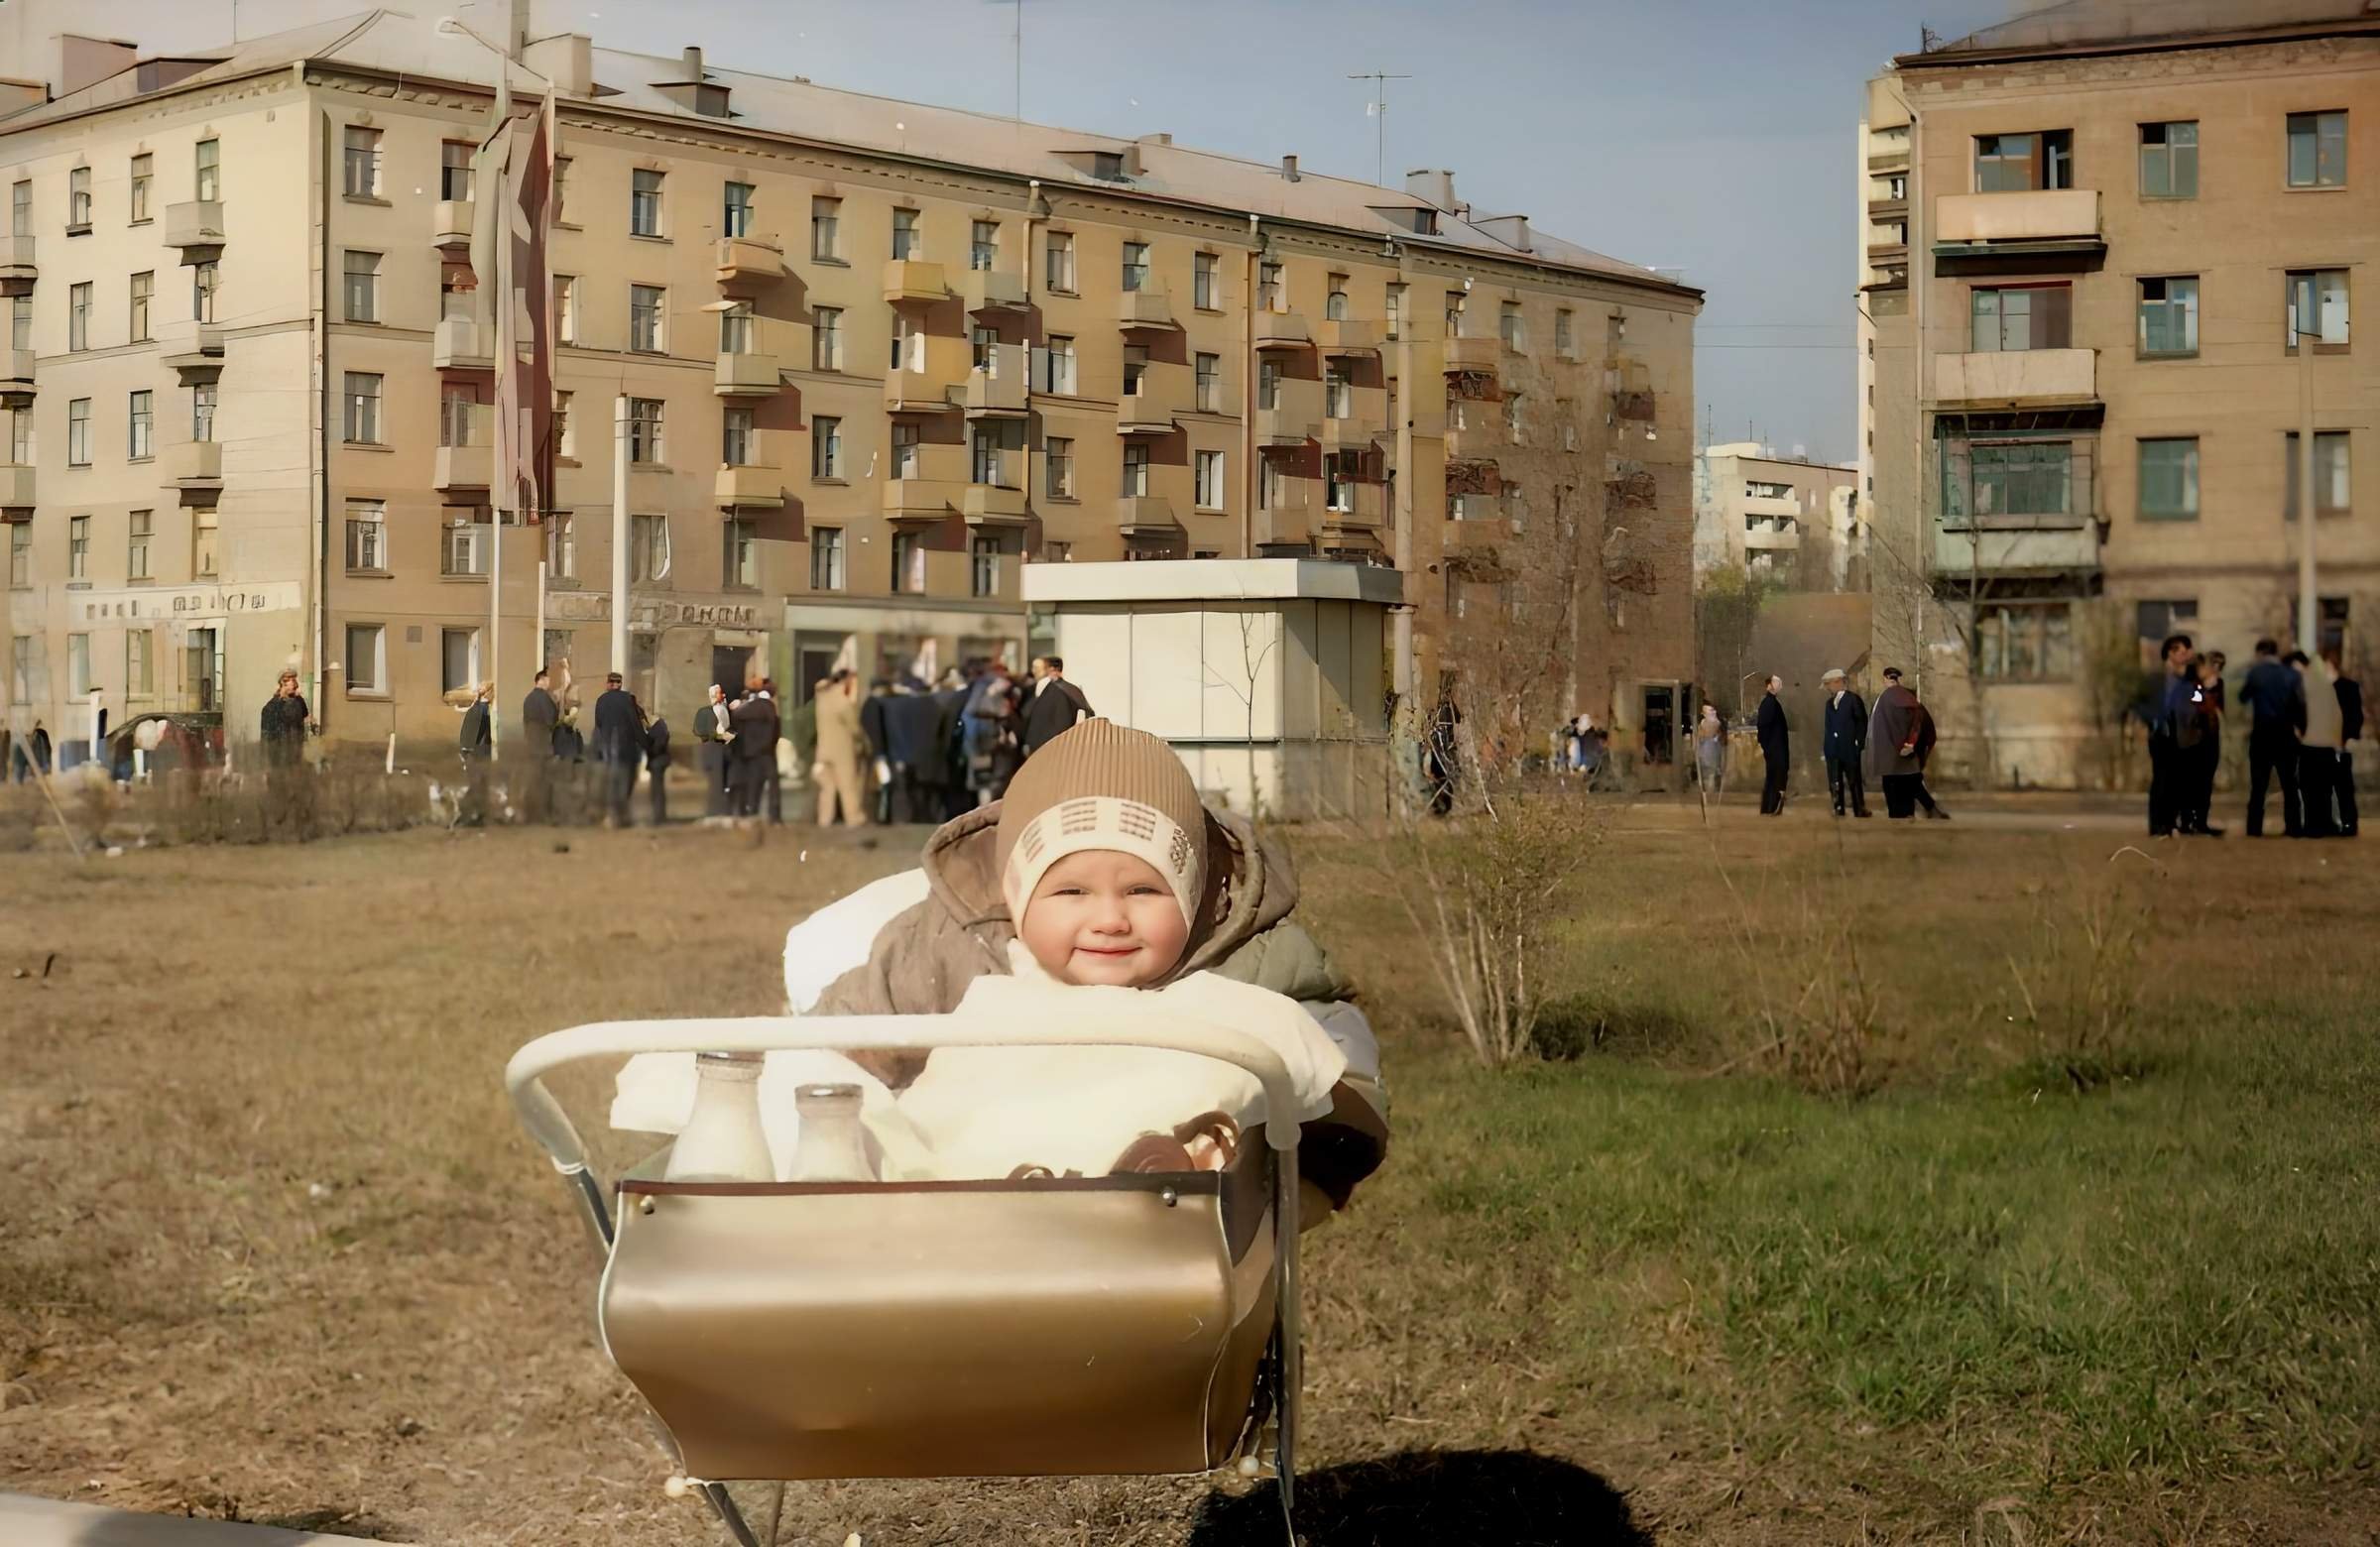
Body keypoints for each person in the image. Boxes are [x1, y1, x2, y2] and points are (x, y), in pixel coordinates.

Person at [807, 718, 1386, 1217]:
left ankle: (1153, 1183)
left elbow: (1335, 1064)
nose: (1110, 919)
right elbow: (842, 1035)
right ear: (1016, 896)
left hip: (1161, 1196)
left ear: (1192, 896)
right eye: (1070, 892)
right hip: (967, 1182)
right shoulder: (958, 947)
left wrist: (1305, 1169)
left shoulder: (1241, 963)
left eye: (1142, 890)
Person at [2239, 638, 2305, 838]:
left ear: (2260, 653)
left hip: (2262, 734)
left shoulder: (2256, 673)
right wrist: (2301, 728)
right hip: (2285, 734)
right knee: (2290, 784)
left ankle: (2254, 828)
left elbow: (2243, 697)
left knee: (2259, 785)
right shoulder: (2292, 675)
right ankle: (2293, 827)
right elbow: (2299, 705)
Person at [2144, 634, 2199, 838]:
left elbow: (2198, 702)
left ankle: (2170, 823)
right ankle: (2156, 824)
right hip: (2160, 734)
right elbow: (2141, 703)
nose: (2185, 656)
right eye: (2181, 652)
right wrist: (2153, 720)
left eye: (2187, 652)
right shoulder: (2156, 679)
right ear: (2170, 653)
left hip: (2182, 734)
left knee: (2178, 780)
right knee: (2161, 779)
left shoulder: (2191, 679)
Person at [2293, 650, 2342, 839]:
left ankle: (2311, 825)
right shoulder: (2328, 688)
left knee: (2308, 789)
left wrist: (2299, 733)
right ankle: (2326, 824)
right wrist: (2336, 741)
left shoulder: (2303, 685)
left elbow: (2297, 711)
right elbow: (2337, 717)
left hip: (2309, 744)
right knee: (2325, 790)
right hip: (2327, 746)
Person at [2175, 654, 2225, 836]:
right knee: (2196, 784)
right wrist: (2208, 694)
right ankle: (2193, 822)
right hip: (2196, 742)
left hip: (2197, 741)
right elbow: (2197, 708)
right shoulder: (2193, 688)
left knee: (2196, 784)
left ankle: (2194, 821)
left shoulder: (2191, 688)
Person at [812, 668, 870, 827]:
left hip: (823, 749)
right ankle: (854, 818)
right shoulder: (841, 701)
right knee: (848, 785)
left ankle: (825, 819)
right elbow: (855, 728)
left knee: (827, 788)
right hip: (842, 750)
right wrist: (862, 740)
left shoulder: (822, 700)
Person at [260, 670, 312, 836]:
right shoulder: (271, 708)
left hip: (295, 752)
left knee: (297, 788)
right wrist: (266, 761)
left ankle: (297, 823)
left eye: (295, 682)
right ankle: (277, 821)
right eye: (292, 682)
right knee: (278, 790)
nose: (296, 685)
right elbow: (266, 736)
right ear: (282, 683)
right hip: (278, 755)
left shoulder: (298, 702)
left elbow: (305, 715)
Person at [727, 676, 781, 822]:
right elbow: (776, 731)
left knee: (753, 786)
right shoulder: (770, 708)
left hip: (751, 754)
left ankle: (752, 813)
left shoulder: (745, 710)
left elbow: (735, 725)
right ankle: (774, 816)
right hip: (768, 752)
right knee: (773, 786)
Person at [1820, 668, 1869, 819]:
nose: (1827, 688)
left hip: (1849, 748)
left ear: (1838, 682)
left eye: (1829, 684)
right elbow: (1828, 727)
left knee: (1854, 780)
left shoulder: (1853, 700)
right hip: (1833, 749)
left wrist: (1858, 744)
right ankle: (1838, 807)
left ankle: (1859, 808)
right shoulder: (1829, 703)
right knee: (1835, 780)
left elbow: (1862, 722)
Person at [1020, 655, 1095, 758]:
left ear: (1050, 670)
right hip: (1062, 747)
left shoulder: (1050, 690)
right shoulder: (1072, 690)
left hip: (1045, 747)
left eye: (1037, 669)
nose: (1034, 672)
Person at [593, 671, 641, 829]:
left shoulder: (601, 700)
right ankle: (622, 815)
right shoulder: (627, 699)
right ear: (620, 684)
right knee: (624, 780)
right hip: (625, 747)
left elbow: (598, 723)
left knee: (610, 780)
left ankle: (611, 815)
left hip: (607, 745)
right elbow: (635, 723)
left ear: (608, 684)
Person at [2327, 649, 2361, 838]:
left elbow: (2355, 716)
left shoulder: (2347, 687)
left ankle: (2349, 823)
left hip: (2340, 743)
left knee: (2343, 787)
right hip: (2326, 743)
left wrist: (2348, 737)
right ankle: (2334, 822)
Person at [520, 668, 560, 823]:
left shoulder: (528, 698)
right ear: (541, 680)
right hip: (543, 743)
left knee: (533, 778)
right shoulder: (544, 698)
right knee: (544, 779)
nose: (550, 683)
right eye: (548, 680)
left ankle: (529, 812)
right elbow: (551, 719)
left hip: (531, 742)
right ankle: (545, 814)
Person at [693, 683, 733, 819]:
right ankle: (715, 810)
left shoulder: (724, 710)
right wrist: (718, 736)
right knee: (715, 781)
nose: (722, 696)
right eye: (719, 693)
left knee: (722, 781)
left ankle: (720, 809)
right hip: (712, 748)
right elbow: (699, 730)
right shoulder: (705, 712)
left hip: (722, 748)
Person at [457, 680, 495, 827]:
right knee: (478, 786)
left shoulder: (475, 708)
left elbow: (466, 735)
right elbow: (483, 736)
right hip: (478, 755)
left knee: (478, 786)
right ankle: (467, 815)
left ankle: (476, 816)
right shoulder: (484, 711)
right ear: (490, 693)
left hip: (471, 753)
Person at [1754, 674, 1789, 816]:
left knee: (1774, 777)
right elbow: (1763, 727)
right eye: (1776, 683)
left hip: (1774, 747)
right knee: (1776, 776)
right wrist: (1767, 746)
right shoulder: (1770, 703)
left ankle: (1770, 806)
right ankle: (1772, 805)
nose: (1779, 685)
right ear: (1769, 686)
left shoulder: (1771, 703)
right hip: (1775, 748)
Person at [642, 699, 672, 828]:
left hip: (658, 761)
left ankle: (659, 816)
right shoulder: (657, 726)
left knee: (657, 790)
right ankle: (658, 815)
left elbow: (659, 744)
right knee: (656, 789)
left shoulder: (659, 726)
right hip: (657, 761)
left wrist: (648, 747)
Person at [1694, 702, 1725, 795]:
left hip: (1713, 747)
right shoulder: (1703, 723)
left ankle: (1714, 787)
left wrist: (1715, 738)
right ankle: (1705, 788)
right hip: (1705, 747)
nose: (1713, 712)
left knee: (1715, 768)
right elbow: (1699, 735)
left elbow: (1720, 734)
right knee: (1705, 767)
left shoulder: (1717, 723)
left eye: (1712, 710)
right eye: (1710, 710)